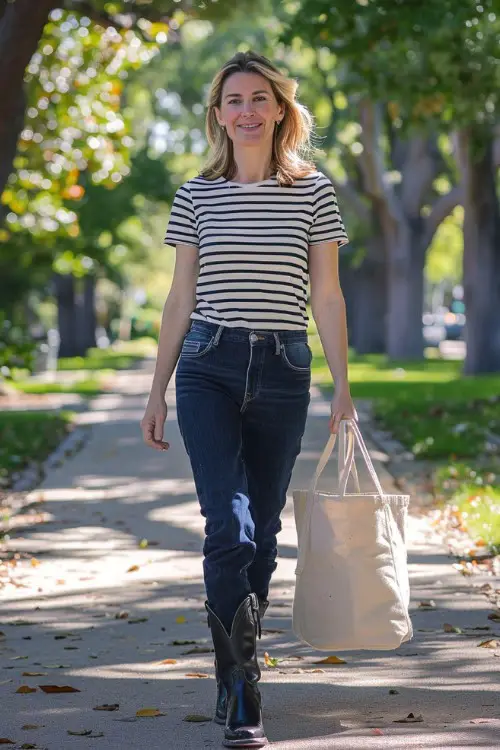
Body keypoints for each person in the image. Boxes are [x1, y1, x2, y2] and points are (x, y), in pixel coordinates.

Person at [141, 50, 356, 749]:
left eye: (259, 98)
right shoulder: (196, 195)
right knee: (227, 526)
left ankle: (242, 656)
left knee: (262, 530)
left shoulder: (313, 191)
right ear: (218, 115)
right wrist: (157, 389)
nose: (246, 111)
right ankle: (240, 690)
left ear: (280, 109)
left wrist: (344, 389)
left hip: (286, 367)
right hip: (208, 364)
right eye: (233, 100)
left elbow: (326, 293)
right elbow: (180, 298)